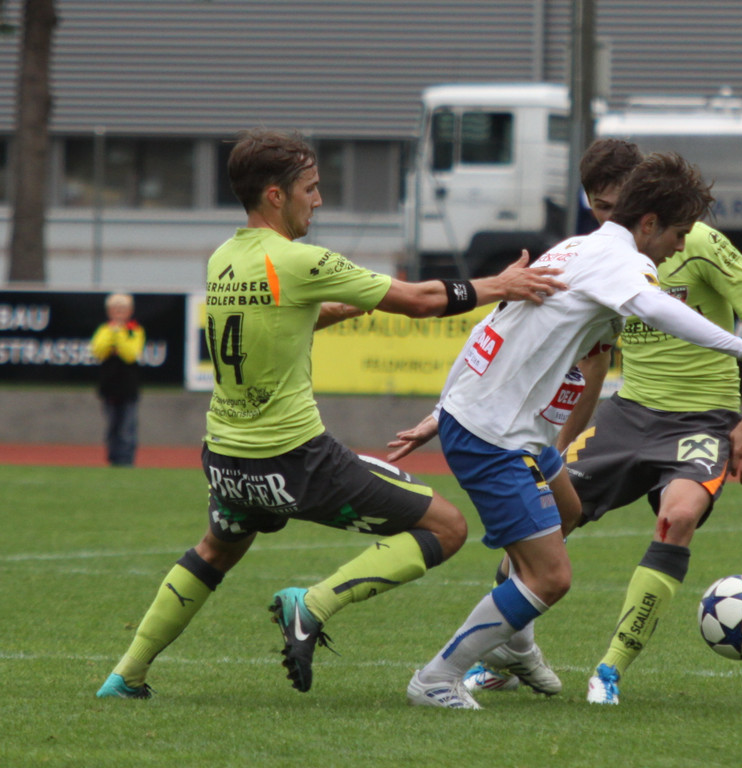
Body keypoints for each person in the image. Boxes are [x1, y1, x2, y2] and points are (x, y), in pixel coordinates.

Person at [95, 128, 567, 700]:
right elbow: (419, 301)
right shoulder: (299, 260)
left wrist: (336, 311)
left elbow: (278, 319)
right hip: (295, 458)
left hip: (226, 458)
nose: (317, 200)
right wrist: (501, 284)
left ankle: (126, 675)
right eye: (310, 188)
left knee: (214, 550)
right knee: (447, 527)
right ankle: (312, 604)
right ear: (275, 195)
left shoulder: (223, 258)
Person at [394, 151, 742, 709]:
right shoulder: (621, 263)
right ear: (649, 223)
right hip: (495, 436)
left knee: (566, 511)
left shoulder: (577, 249)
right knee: (550, 578)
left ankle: (517, 651)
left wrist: (442, 411)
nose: (681, 246)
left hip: (514, 429)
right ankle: (437, 678)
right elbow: (656, 309)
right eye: (678, 234)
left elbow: (498, 330)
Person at [90, 293, 146, 466]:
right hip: (109, 385)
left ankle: (126, 459)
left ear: (130, 311)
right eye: (115, 309)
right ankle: (113, 458)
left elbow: (130, 354)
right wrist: (111, 333)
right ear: (109, 311)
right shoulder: (104, 330)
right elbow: (98, 351)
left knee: (128, 426)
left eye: (123, 309)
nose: (119, 313)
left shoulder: (135, 330)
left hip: (128, 386)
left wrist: (119, 335)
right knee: (112, 425)